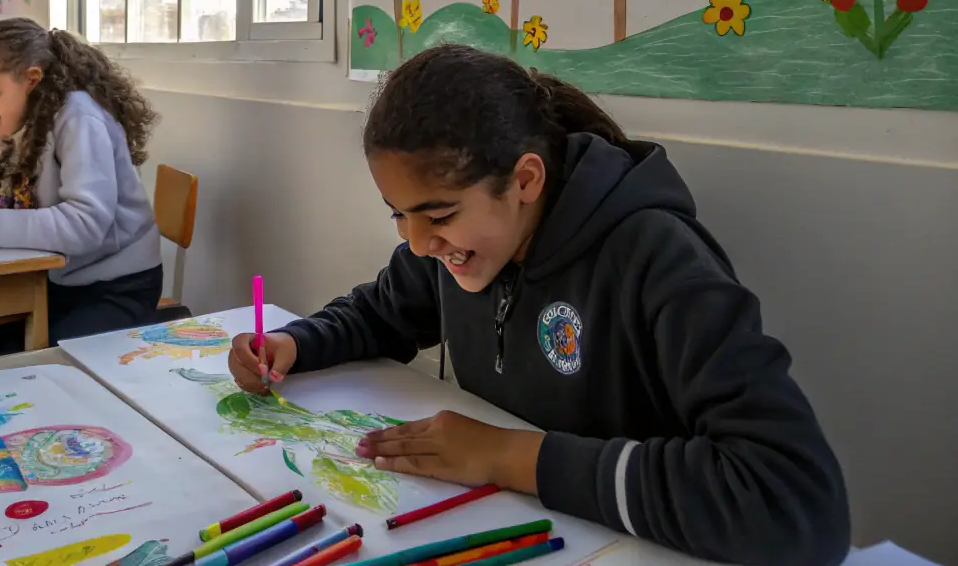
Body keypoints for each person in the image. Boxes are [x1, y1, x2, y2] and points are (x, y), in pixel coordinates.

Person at [227, 45, 851, 566]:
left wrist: (507, 456)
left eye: (438, 215)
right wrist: (297, 343)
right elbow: (384, 311)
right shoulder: (459, 246)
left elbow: (793, 499)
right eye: (400, 215)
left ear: (526, 180)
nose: (416, 242)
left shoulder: (656, 256)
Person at [0, 18, 163, 367]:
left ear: (31, 79)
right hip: (59, 281)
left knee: (42, 373)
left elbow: (84, 226)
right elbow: (5, 197)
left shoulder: (79, 118)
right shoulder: (24, 119)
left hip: (116, 287)